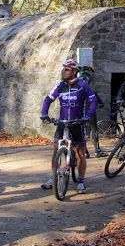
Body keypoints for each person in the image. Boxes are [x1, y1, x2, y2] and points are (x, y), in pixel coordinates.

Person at [40, 59, 99, 194]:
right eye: (63, 69)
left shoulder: (83, 86)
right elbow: (48, 99)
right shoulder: (60, 86)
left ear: (74, 71)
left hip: (77, 123)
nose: (63, 72)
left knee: (80, 154)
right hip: (62, 123)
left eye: (66, 69)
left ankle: (81, 180)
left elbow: (94, 101)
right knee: (56, 151)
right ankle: (54, 177)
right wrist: (44, 114)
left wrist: (87, 116)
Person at [77, 66, 106, 158]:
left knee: (82, 129)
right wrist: (100, 102)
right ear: (90, 71)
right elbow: (93, 93)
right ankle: (97, 151)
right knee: (94, 129)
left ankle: (85, 151)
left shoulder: (78, 79)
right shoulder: (90, 78)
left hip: (79, 107)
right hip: (89, 106)